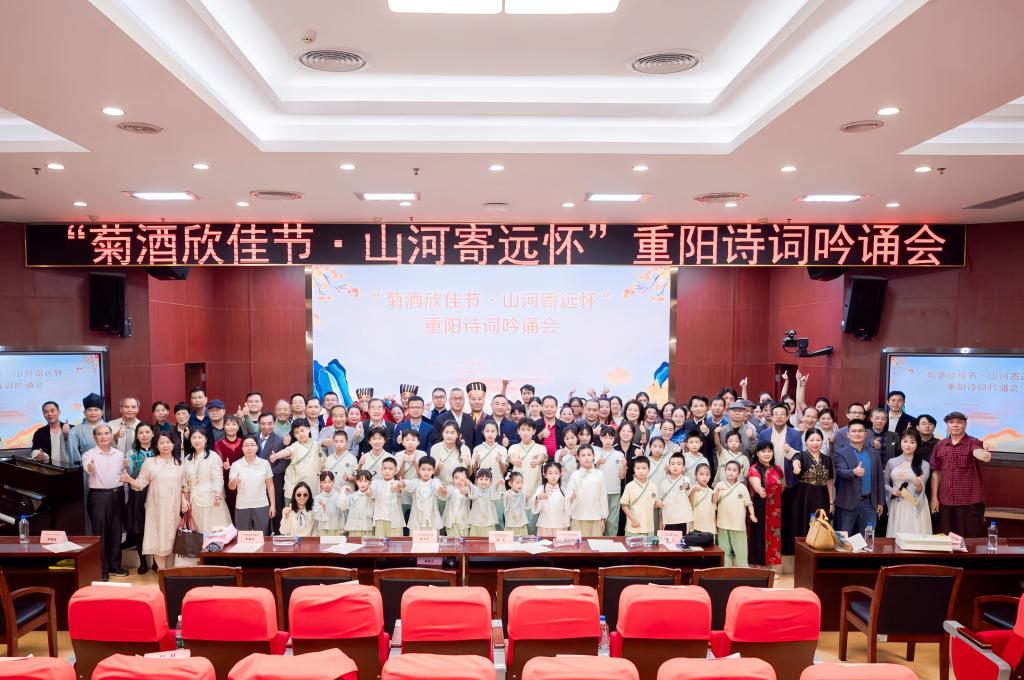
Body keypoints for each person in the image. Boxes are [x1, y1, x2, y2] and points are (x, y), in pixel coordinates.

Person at [119, 431, 186, 571]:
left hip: (174, 509)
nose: (165, 445)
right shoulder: (150, 462)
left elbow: (184, 486)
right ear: (156, 445)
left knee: (172, 541)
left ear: (174, 444)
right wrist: (130, 480)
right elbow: (140, 484)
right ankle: (162, 573)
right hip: (156, 509)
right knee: (158, 541)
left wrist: (184, 501)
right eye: (161, 443)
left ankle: (169, 573)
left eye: (168, 442)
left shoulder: (180, 463)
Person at [930, 411, 991, 537]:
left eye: (959, 422)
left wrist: (984, 455)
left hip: (969, 501)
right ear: (947, 425)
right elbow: (936, 472)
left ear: (965, 424)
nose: (955, 425)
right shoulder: (940, 445)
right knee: (947, 538)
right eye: (951, 422)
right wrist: (934, 497)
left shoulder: (973, 442)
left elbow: (978, 451)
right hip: (946, 500)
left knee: (969, 538)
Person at [82, 423, 127, 579]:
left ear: (111, 435)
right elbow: (87, 467)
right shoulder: (89, 454)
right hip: (99, 497)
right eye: (100, 434)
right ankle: (102, 570)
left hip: (118, 495)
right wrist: (90, 468)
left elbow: (123, 473)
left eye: (107, 433)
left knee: (116, 532)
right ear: (95, 437)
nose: (104, 436)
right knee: (100, 534)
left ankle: (115, 566)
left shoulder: (119, 454)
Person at [834, 419, 884, 537]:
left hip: (870, 504)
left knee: (868, 539)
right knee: (843, 539)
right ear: (848, 434)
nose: (857, 433)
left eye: (860, 431)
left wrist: (880, 502)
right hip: (847, 504)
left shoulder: (874, 453)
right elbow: (840, 471)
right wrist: (853, 472)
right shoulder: (840, 453)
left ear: (865, 434)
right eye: (854, 431)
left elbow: (879, 479)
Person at [183, 428, 231, 533]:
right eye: (194, 437)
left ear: (205, 440)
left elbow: (218, 478)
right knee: (198, 532)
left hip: (212, 500)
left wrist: (217, 495)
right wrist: (186, 500)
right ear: (190, 440)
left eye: (200, 437)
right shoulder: (187, 459)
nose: (197, 440)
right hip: (194, 500)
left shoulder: (213, 457)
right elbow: (185, 481)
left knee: (214, 531)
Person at [122, 422, 155, 574]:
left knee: (154, 526)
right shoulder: (131, 453)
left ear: (153, 434)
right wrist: (126, 467)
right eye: (141, 432)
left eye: (147, 432)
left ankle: (156, 562)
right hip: (137, 493)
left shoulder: (158, 450)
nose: (144, 435)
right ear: (137, 435)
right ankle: (143, 562)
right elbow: (130, 474)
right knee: (138, 528)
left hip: (155, 492)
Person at [885, 429, 932, 536]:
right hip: (897, 503)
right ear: (900, 442)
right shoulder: (892, 462)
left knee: (915, 535)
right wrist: (892, 490)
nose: (908, 445)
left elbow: (920, 491)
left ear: (917, 444)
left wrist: (919, 485)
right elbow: (884, 483)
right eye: (905, 441)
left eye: (912, 442)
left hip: (915, 504)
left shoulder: (924, 464)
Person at [791, 429, 834, 538]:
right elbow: (795, 461)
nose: (815, 443)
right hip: (804, 496)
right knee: (804, 525)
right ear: (806, 442)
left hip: (822, 496)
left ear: (822, 442)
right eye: (811, 440)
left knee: (821, 524)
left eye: (818, 440)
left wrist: (831, 502)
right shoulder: (800, 455)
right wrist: (796, 467)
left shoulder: (827, 459)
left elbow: (829, 481)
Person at [228, 435, 275, 534]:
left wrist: (273, 505)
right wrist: (234, 481)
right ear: (242, 448)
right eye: (246, 445)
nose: (249, 448)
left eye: (252, 445)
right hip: (242, 506)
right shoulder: (236, 465)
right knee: (243, 536)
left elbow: (270, 486)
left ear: (257, 447)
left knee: (262, 535)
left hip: (262, 505)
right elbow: (231, 487)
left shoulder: (265, 463)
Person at [714, 460, 756, 567]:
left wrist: (752, 515)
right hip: (722, 523)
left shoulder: (742, 487)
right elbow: (713, 501)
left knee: (741, 550)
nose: (731, 472)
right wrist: (717, 491)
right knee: (724, 550)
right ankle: (725, 571)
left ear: (739, 473)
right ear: (725, 471)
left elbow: (749, 503)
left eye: (734, 470)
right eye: (728, 469)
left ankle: (743, 570)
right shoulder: (719, 485)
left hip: (738, 524)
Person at [747, 442, 783, 569]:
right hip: (760, 506)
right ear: (757, 453)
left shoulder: (777, 468)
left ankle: (770, 568)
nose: (767, 454)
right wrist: (760, 490)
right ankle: (759, 567)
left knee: (774, 535)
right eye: (763, 451)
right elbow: (757, 486)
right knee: (760, 535)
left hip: (776, 508)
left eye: (769, 451)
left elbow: (782, 485)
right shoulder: (754, 469)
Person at [275, 418, 323, 503]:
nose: (300, 434)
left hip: (313, 486)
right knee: (291, 511)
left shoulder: (316, 445)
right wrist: (277, 455)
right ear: (294, 435)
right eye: (296, 433)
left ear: (308, 429)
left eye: (302, 430)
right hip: (294, 487)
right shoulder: (295, 446)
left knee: (311, 510)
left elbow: (323, 463)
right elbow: (288, 451)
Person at [254, 413, 287, 534]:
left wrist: (267, 475)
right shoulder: (252, 439)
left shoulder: (280, 441)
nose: (266, 426)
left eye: (270, 423)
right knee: (259, 514)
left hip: (274, 482)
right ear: (258, 424)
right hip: (254, 483)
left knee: (276, 513)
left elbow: (283, 464)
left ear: (274, 423)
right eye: (263, 424)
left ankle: (278, 538)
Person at [567, 445, 607, 535]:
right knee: (578, 543)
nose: (586, 458)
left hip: (596, 517)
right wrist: (571, 497)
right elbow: (568, 496)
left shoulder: (600, 474)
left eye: (589, 455)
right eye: (583, 455)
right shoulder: (575, 475)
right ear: (578, 457)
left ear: (594, 456)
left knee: (595, 542)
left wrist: (603, 518)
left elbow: (603, 497)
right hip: (578, 516)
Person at [595, 425, 626, 537]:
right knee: (599, 519)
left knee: (612, 520)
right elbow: (590, 471)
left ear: (614, 439)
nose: (608, 440)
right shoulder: (595, 452)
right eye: (605, 437)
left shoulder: (619, 454)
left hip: (615, 491)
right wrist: (597, 463)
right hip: (598, 491)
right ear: (600, 438)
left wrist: (624, 466)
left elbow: (622, 476)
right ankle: (597, 541)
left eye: (611, 438)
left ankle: (611, 541)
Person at [621, 456, 658, 538]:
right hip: (633, 527)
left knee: (648, 546)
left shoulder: (653, 486)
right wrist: (633, 519)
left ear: (649, 470)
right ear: (634, 469)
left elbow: (654, 504)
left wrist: (658, 504)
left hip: (649, 527)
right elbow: (624, 505)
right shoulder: (629, 486)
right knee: (631, 546)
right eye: (638, 468)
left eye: (644, 468)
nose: (641, 471)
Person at [214, 416, 245, 514]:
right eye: (228, 424)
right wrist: (223, 465)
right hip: (226, 479)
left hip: (244, 478)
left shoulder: (244, 442)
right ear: (224, 427)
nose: (231, 427)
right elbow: (218, 463)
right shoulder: (218, 444)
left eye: (234, 424)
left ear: (238, 427)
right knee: (230, 506)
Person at [531, 461, 570, 537]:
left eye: (556, 473)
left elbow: (568, 507)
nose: (553, 476)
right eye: (550, 473)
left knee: (560, 544)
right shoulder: (541, 489)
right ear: (544, 474)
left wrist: (571, 498)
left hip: (560, 524)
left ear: (560, 474)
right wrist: (538, 497)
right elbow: (534, 506)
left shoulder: (564, 489)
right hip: (545, 524)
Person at [405, 456, 444, 532]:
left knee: (433, 539)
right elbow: (407, 484)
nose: (426, 472)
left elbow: (438, 487)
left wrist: (440, 489)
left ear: (433, 471)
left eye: (429, 470)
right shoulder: (415, 482)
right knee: (415, 539)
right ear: (419, 470)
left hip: (433, 521)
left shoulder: (435, 482)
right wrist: (403, 483)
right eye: (423, 469)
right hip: (416, 521)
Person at [658, 452, 693, 532]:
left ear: (683, 467)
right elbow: (660, 502)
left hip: (683, 519)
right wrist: (661, 518)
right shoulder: (663, 483)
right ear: (669, 467)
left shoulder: (686, 480)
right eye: (673, 464)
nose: (675, 466)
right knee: (667, 540)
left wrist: (686, 486)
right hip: (668, 519)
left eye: (679, 464)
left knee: (682, 540)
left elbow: (687, 488)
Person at [370, 458, 406, 537]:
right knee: (380, 542)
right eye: (385, 468)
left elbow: (401, 493)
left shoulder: (398, 483)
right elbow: (371, 492)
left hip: (395, 519)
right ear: (381, 470)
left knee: (395, 543)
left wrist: (398, 489)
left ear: (396, 471)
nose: (387, 471)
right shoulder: (375, 482)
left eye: (390, 469)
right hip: (380, 518)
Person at [68, 392, 106, 464]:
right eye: (89, 410)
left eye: (96, 410)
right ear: (84, 412)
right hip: (87, 466)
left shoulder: (109, 427)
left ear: (102, 412)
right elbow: (74, 455)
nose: (93, 413)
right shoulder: (75, 430)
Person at [30, 401, 70, 466]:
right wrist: (39, 456)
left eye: (52, 411)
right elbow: (34, 450)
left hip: (71, 469)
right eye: (46, 412)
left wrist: (68, 434)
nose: (49, 414)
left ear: (59, 412)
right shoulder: (40, 432)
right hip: (50, 469)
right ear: (43, 414)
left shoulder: (72, 428)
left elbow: (79, 449)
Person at [340, 471, 375, 537]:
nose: (363, 484)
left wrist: (370, 497)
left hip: (366, 528)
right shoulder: (352, 496)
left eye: (365, 481)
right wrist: (343, 490)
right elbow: (342, 506)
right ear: (356, 482)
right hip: (353, 529)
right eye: (360, 481)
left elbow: (371, 514)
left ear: (370, 482)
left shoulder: (372, 496)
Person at [440, 466, 473, 537]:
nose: (459, 481)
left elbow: (469, 495)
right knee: (451, 540)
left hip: (463, 522)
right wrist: (443, 491)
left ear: (467, 480)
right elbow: (446, 495)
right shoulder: (450, 488)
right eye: (456, 478)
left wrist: (467, 492)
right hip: (451, 522)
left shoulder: (468, 489)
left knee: (463, 540)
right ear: (453, 479)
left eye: (462, 479)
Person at [468, 468, 499, 536]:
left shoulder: (491, 490)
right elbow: (470, 486)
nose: (483, 482)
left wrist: (497, 484)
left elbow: (496, 496)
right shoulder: (475, 490)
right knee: (475, 539)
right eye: (481, 479)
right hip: (476, 520)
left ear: (490, 481)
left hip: (489, 520)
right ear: (477, 480)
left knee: (488, 538)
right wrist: (466, 480)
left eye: (486, 479)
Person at [689, 463, 716, 534]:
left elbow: (714, 509)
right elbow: (689, 505)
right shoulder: (692, 489)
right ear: (696, 476)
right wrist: (693, 492)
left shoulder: (712, 491)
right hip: (696, 526)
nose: (704, 477)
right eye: (701, 474)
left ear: (710, 476)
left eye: (707, 474)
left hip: (709, 526)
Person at [503, 471, 529, 536]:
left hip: (521, 521)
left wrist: (527, 497)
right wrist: (507, 498)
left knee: (522, 538)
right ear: (510, 483)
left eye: (521, 483)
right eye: (517, 483)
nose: (520, 485)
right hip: (510, 522)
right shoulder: (507, 493)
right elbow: (505, 507)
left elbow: (526, 505)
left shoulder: (523, 493)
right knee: (510, 539)